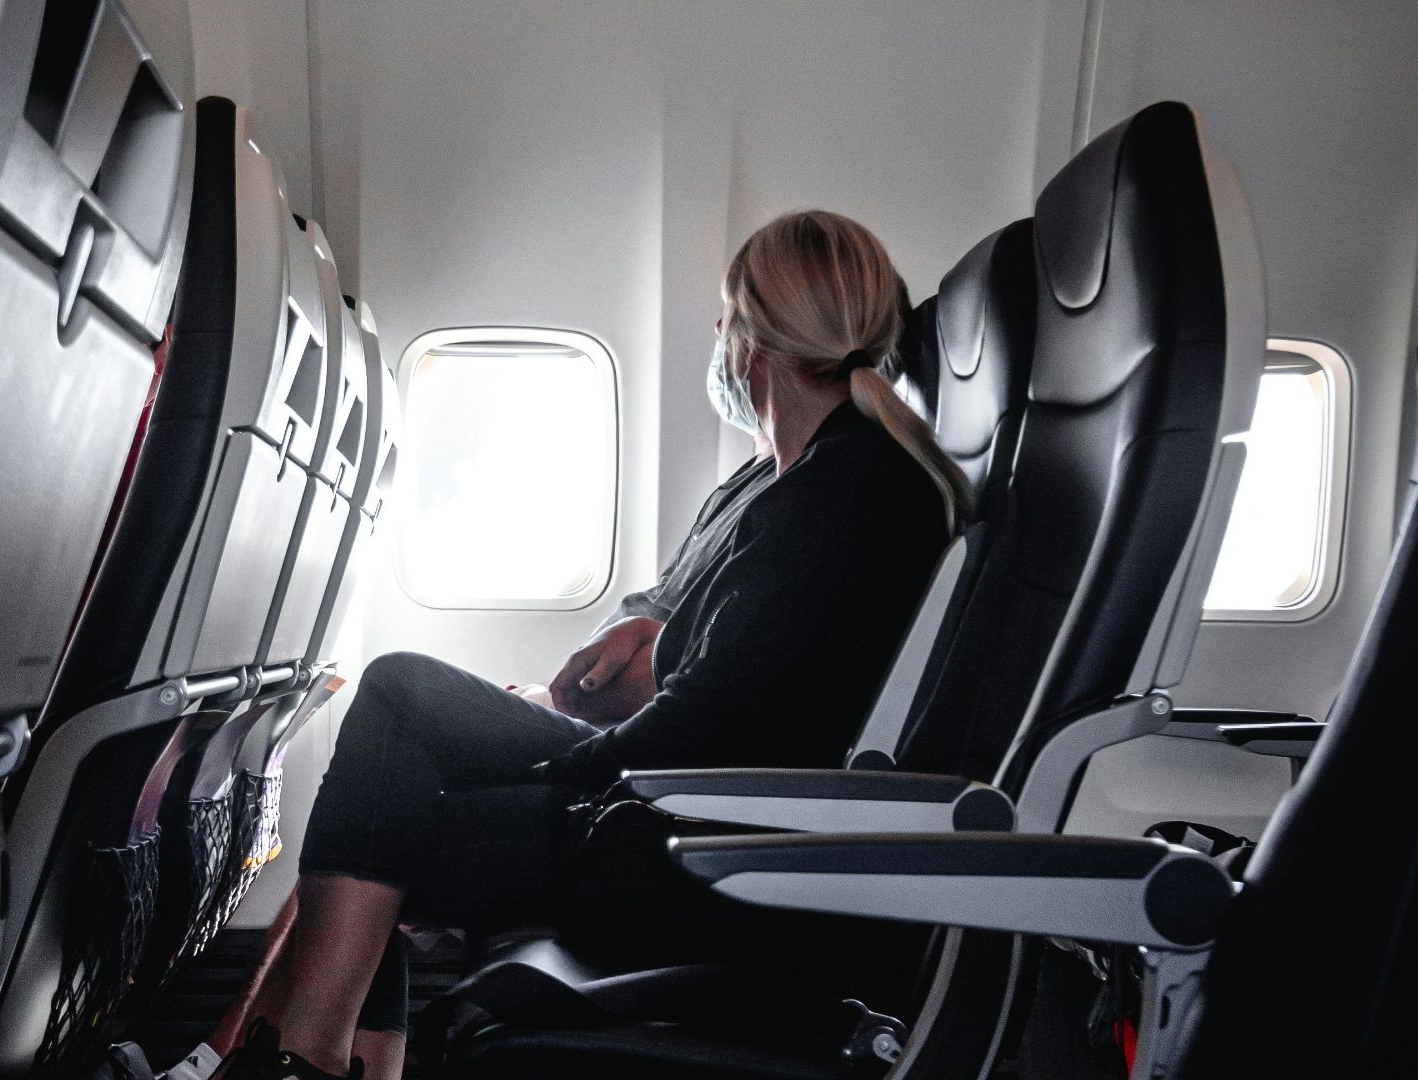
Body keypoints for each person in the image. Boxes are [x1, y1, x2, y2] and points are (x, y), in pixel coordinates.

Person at [216, 210, 970, 1080]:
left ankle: (314, 1059)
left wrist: (557, 770)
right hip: (680, 799)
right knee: (401, 701)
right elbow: (721, 634)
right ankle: (330, 1060)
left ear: (757, 339)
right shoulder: (780, 477)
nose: (718, 337)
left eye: (727, 317)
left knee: (392, 802)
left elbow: (716, 721)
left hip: (707, 836)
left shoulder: (850, 493)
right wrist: (628, 642)